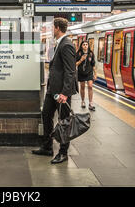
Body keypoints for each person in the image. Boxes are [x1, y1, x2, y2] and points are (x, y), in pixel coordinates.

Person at [32, 18, 78, 164]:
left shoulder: (67, 45)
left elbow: (70, 71)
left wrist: (65, 93)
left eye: (53, 27)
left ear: (57, 28)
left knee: (64, 121)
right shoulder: (59, 44)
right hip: (53, 90)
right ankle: (47, 147)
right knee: (46, 115)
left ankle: (63, 152)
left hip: (62, 93)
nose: (52, 30)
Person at [76, 40, 97, 111]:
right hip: (81, 73)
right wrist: (81, 60)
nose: (85, 46)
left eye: (86, 44)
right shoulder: (79, 54)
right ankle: (83, 101)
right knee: (82, 87)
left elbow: (93, 64)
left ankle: (91, 103)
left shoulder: (91, 54)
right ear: (81, 46)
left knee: (90, 86)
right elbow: (75, 64)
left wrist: (95, 74)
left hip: (89, 72)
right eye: (84, 44)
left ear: (88, 46)